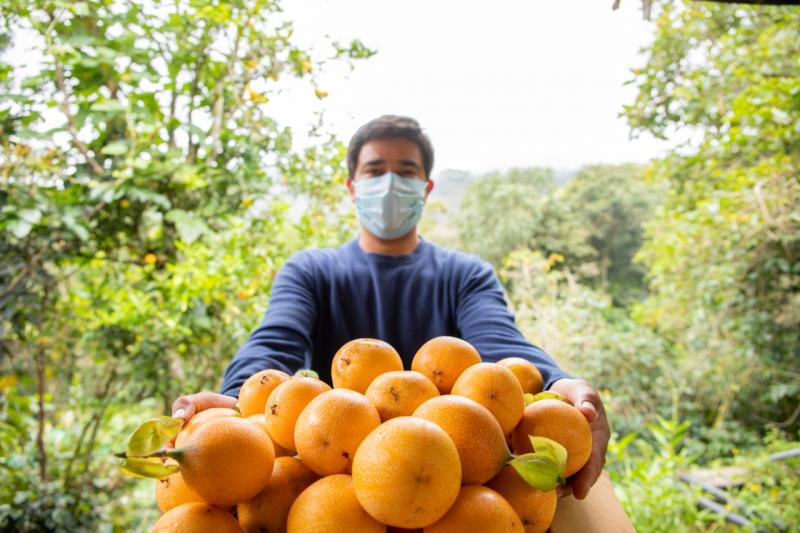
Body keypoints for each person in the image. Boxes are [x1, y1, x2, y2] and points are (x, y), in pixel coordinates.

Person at [171, 115, 610, 500]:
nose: (390, 184)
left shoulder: (465, 274)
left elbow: (501, 345)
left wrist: (559, 384)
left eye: (406, 171)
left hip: (449, 477)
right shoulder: (311, 271)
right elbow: (274, 341)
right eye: (376, 171)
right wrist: (234, 401)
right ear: (352, 187)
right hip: (330, 477)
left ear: (427, 187)